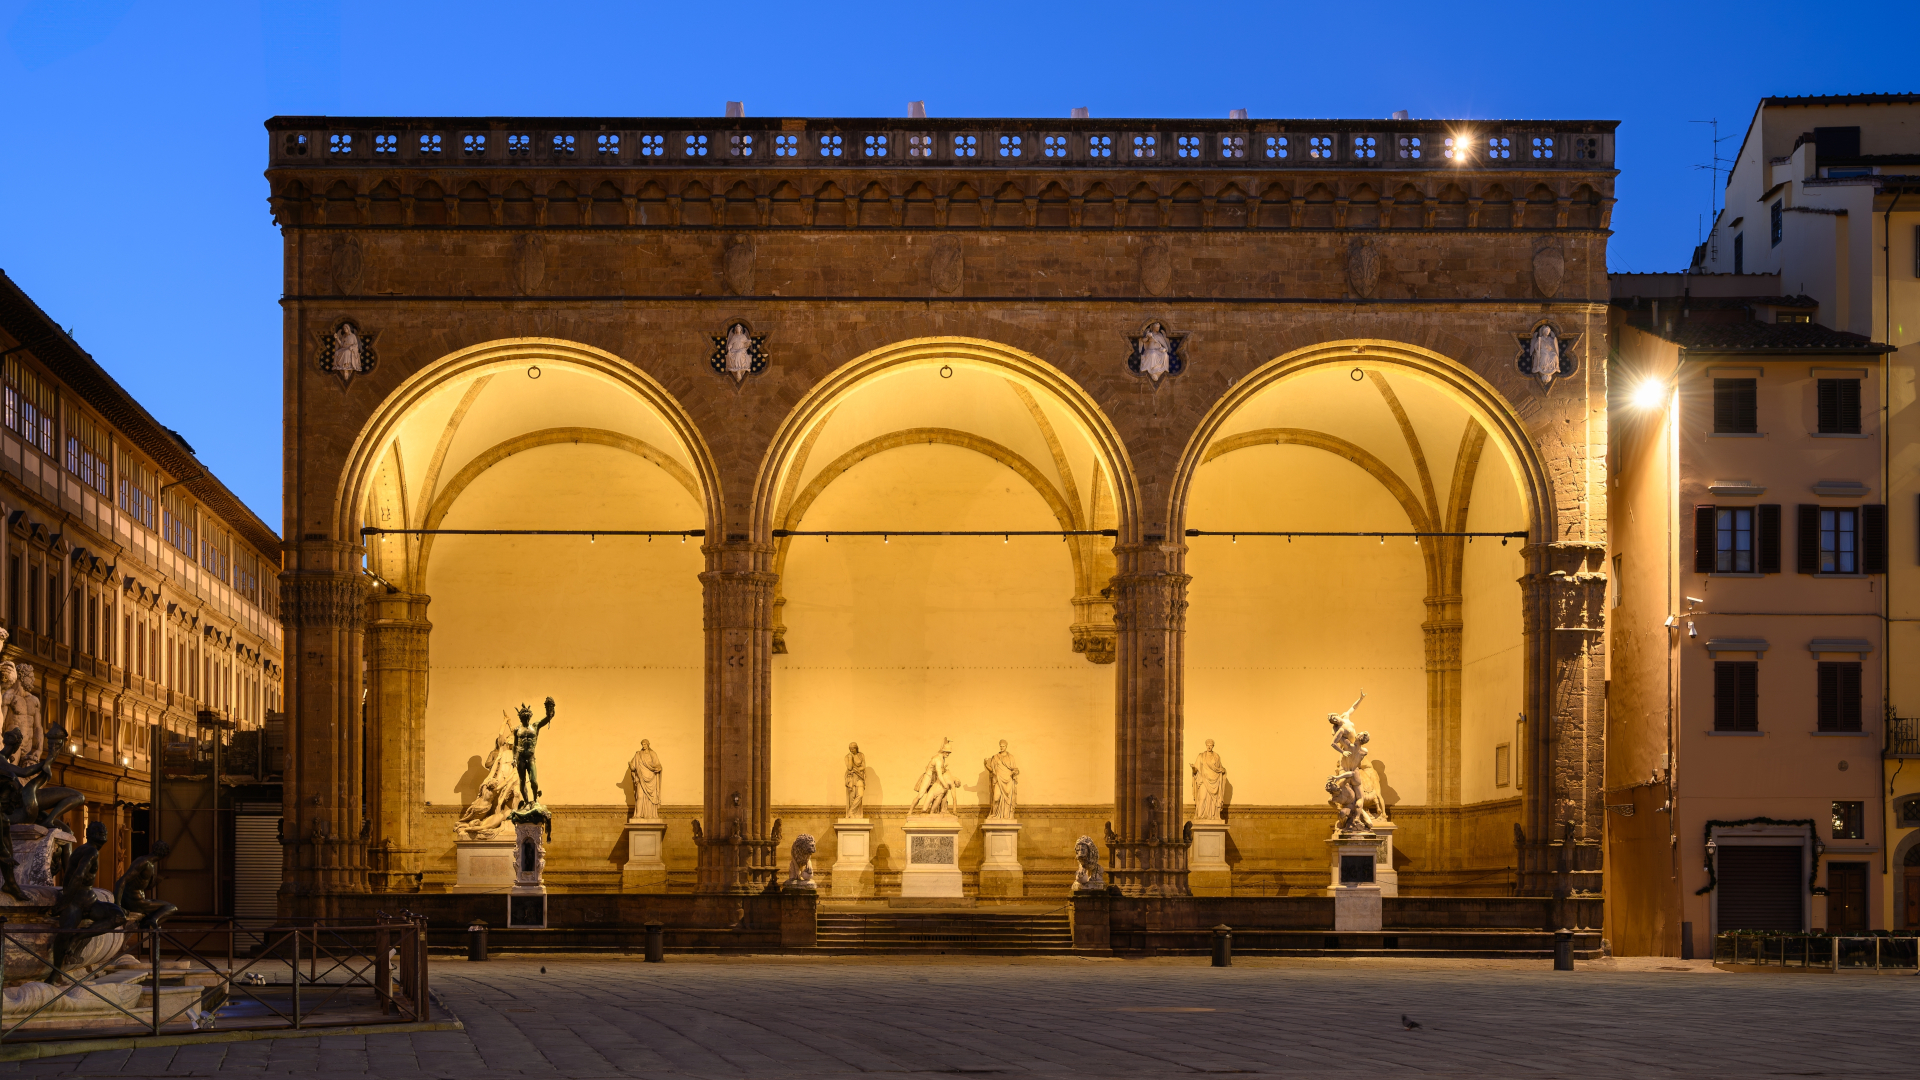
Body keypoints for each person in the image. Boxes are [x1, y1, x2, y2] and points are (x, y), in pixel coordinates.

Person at [116, 841, 177, 929]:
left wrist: (156, 881)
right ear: (165, 855)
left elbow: (143, 886)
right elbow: (122, 881)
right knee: (171, 907)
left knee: (161, 907)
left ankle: (148, 922)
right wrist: (118, 906)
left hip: (138, 900)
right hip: (134, 902)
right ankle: (150, 922)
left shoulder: (150, 864)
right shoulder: (143, 862)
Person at [511, 697, 556, 804]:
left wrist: (550, 708)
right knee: (522, 781)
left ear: (529, 717)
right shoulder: (517, 730)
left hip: (530, 757)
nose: (525, 719)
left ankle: (535, 800)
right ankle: (526, 802)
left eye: (527, 717)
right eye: (523, 717)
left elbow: (548, 718)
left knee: (534, 781)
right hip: (520, 758)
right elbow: (515, 745)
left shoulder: (535, 726)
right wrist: (514, 758)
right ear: (520, 718)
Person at [843, 742, 866, 818]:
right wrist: (850, 758)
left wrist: (856, 770)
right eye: (850, 748)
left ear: (856, 748)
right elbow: (849, 768)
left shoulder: (861, 755)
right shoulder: (847, 756)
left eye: (853, 748)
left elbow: (863, 766)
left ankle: (851, 811)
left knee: (860, 794)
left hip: (859, 777)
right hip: (851, 778)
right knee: (852, 797)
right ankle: (852, 814)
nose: (851, 750)